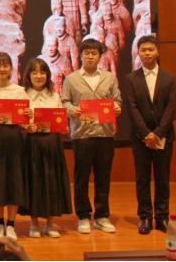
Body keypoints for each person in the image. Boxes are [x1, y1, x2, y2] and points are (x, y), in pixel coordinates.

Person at [62, 38, 122, 235]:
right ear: (80, 55)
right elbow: (64, 102)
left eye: (94, 53)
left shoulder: (109, 77)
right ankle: (83, 216)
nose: (90, 56)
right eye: (87, 53)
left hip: (105, 134)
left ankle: (102, 216)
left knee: (103, 177)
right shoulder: (71, 79)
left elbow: (117, 100)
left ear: (99, 56)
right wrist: (72, 110)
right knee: (82, 178)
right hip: (82, 135)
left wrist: (117, 107)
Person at [121, 35, 176, 234]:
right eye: (143, 50)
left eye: (150, 50)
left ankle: (162, 217)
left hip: (164, 137)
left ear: (157, 52)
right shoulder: (131, 78)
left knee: (162, 178)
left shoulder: (169, 78)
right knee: (142, 179)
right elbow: (132, 109)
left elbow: (171, 109)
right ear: (138, 53)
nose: (147, 53)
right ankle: (145, 217)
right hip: (140, 138)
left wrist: (158, 133)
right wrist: (146, 134)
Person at [20, 58, 73, 238]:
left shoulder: (55, 96)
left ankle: (50, 224)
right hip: (33, 144)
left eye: (42, 72)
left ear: (48, 75)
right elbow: (20, 122)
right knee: (34, 182)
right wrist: (27, 126)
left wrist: (64, 128)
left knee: (53, 182)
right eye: (34, 72)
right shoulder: (23, 96)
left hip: (52, 144)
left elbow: (60, 121)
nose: (38, 76)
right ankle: (34, 224)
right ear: (28, 75)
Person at [0, 52, 29, 241]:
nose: (2, 69)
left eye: (5, 65)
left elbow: (26, 123)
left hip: (14, 140)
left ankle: (11, 225)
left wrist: (27, 115)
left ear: (11, 68)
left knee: (14, 180)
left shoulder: (19, 91)